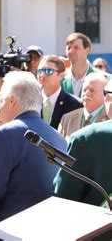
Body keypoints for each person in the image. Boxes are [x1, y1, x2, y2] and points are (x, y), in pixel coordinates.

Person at [0, 71, 67, 228]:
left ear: (12, 101)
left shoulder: (4, 133)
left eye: (1, 99)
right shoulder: (58, 137)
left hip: (11, 230)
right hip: (50, 229)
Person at [53, 78, 112, 207]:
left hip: (96, 223)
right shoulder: (84, 134)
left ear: (107, 98)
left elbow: (64, 195)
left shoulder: (85, 138)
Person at [58, 73, 109, 141]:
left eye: (92, 90)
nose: (86, 93)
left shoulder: (109, 119)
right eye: (84, 90)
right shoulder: (67, 119)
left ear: (105, 94)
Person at [37, 55, 82, 129]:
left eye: (48, 71)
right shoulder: (30, 102)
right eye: (40, 71)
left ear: (61, 76)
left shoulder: (75, 104)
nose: (42, 75)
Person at [61, 33, 107, 97]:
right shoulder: (60, 78)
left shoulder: (105, 78)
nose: (71, 51)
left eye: (76, 47)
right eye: (68, 48)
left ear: (87, 50)